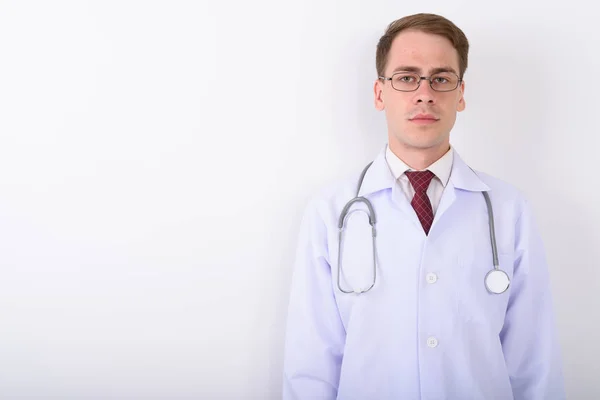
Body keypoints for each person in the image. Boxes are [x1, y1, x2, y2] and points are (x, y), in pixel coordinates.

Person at [281, 13, 565, 400]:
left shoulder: (509, 210)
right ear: (380, 93)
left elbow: (535, 363)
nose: (425, 93)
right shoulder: (330, 212)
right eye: (406, 77)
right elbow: (311, 365)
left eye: (441, 79)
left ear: (460, 94)